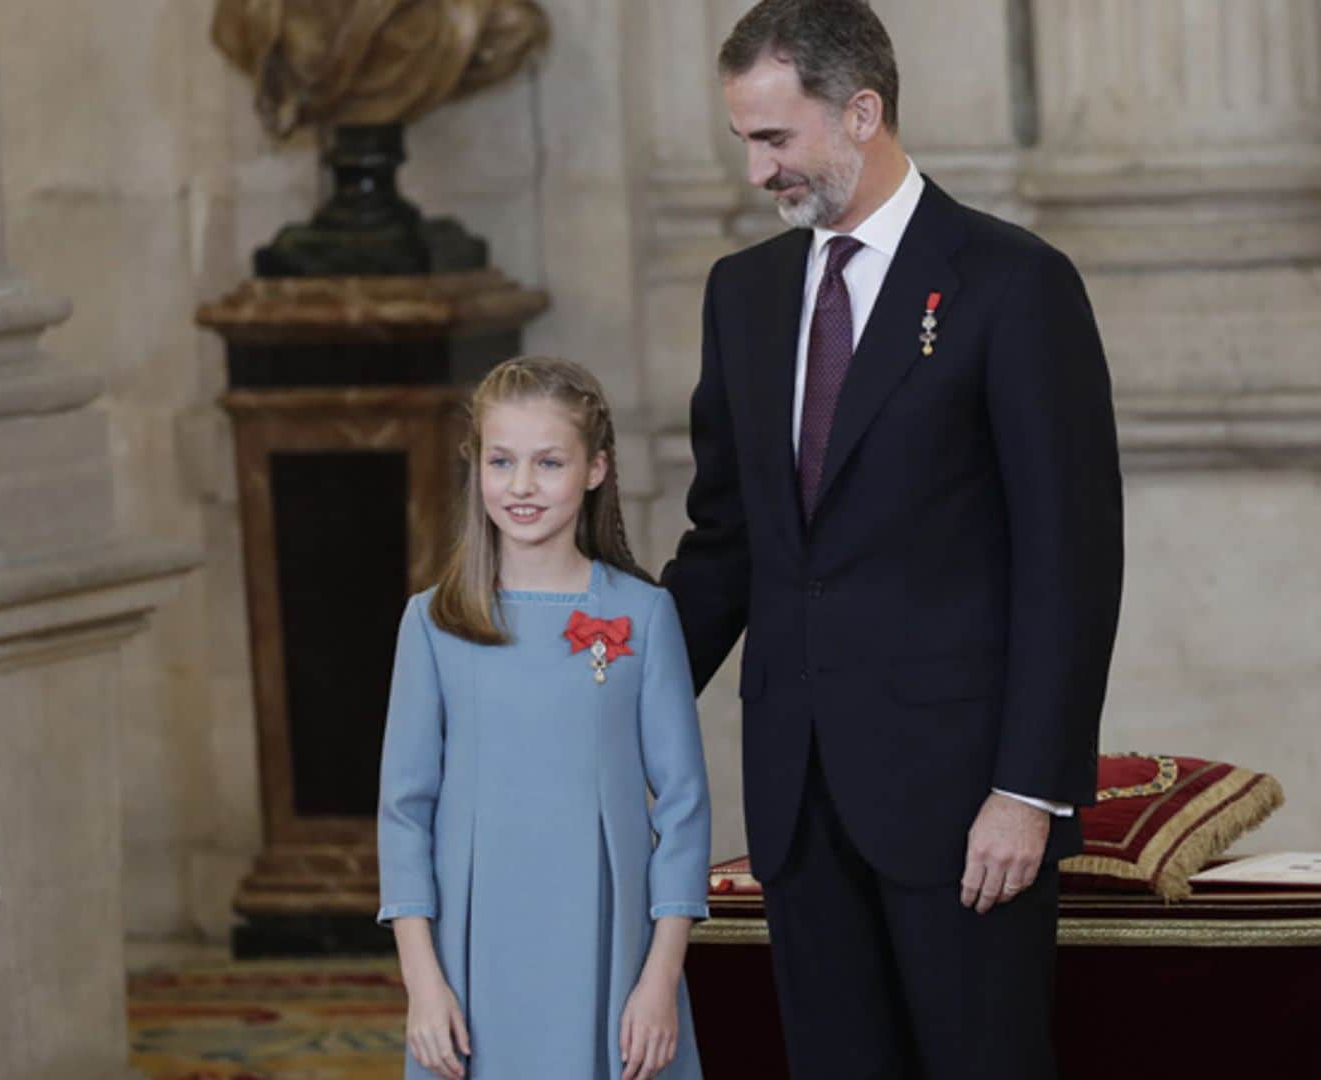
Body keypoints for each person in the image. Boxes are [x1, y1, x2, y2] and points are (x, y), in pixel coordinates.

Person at [660, 2, 1124, 1076]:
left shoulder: (1013, 283)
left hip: (966, 805)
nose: (757, 172)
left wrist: (1030, 789)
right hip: (798, 799)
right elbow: (725, 542)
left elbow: (1072, 556)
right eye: (744, 142)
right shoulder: (745, 295)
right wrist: (611, 696)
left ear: (862, 111)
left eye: (774, 139)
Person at [377, 357, 711, 1080]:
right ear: (477, 467)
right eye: (502, 461)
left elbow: (684, 806)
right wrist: (423, 984)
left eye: (548, 462)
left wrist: (659, 981)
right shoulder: (432, 624)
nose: (521, 486)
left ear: (594, 469)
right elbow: (404, 813)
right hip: (472, 965)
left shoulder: (644, 615)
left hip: (610, 957)